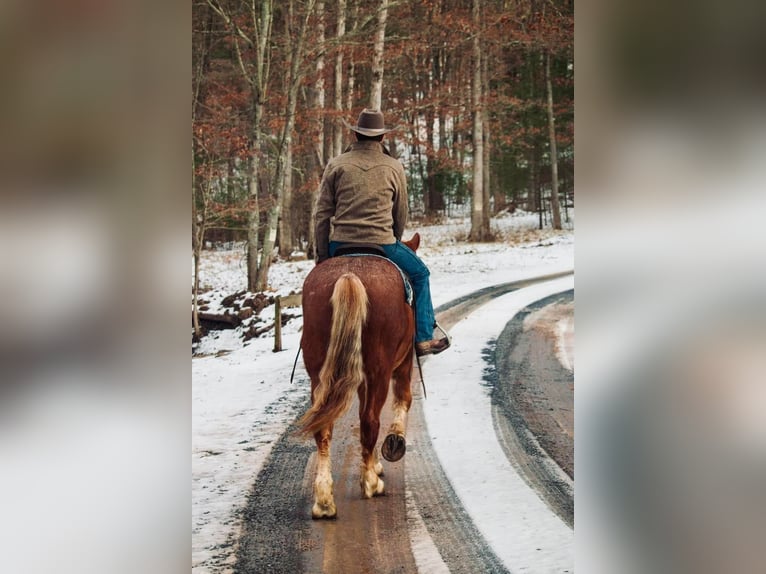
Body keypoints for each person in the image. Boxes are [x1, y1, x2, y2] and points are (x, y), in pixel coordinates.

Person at [314, 108, 451, 356]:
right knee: (420, 274)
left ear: (356, 135)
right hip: (382, 243)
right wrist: (394, 239)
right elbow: (401, 212)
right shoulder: (393, 167)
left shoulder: (336, 164)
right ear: (381, 138)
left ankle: (316, 340)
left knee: (316, 288)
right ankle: (422, 338)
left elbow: (322, 214)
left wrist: (322, 256)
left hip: (340, 244)